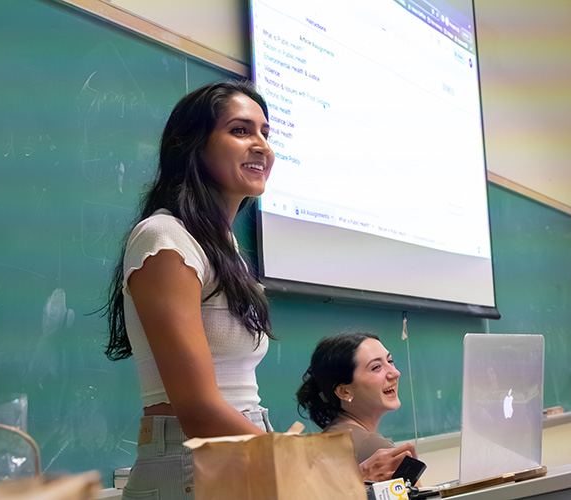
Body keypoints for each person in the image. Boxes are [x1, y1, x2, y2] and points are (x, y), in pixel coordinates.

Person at [103, 80, 277, 499]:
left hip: (241, 448)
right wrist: (308, 462)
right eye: (240, 131)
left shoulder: (226, 248)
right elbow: (198, 411)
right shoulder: (164, 237)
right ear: (194, 146)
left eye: (265, 133)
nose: (262, 146)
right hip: (190, 462)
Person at [297, 333, 417, 482]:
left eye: (390, 361)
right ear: (344, 391)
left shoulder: (333, 435)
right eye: (376, 367)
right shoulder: (375, 449)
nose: (395, 373)